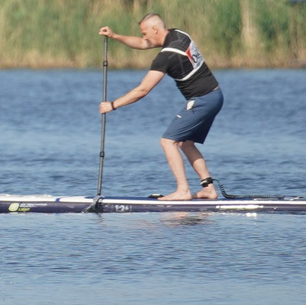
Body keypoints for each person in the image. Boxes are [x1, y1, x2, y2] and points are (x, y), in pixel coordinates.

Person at [97, 13, 226, 200]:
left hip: (202, 100)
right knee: (185, 142)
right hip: (215, 95)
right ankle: (208, 188)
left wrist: (113, 105)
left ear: (155, 29)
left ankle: (183, 190)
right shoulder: (179, 34)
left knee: (168, 141)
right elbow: (143, 44)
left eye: (144, 33)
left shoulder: (166, 57)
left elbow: (143, 90)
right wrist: (115, 36)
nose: (144, 37)